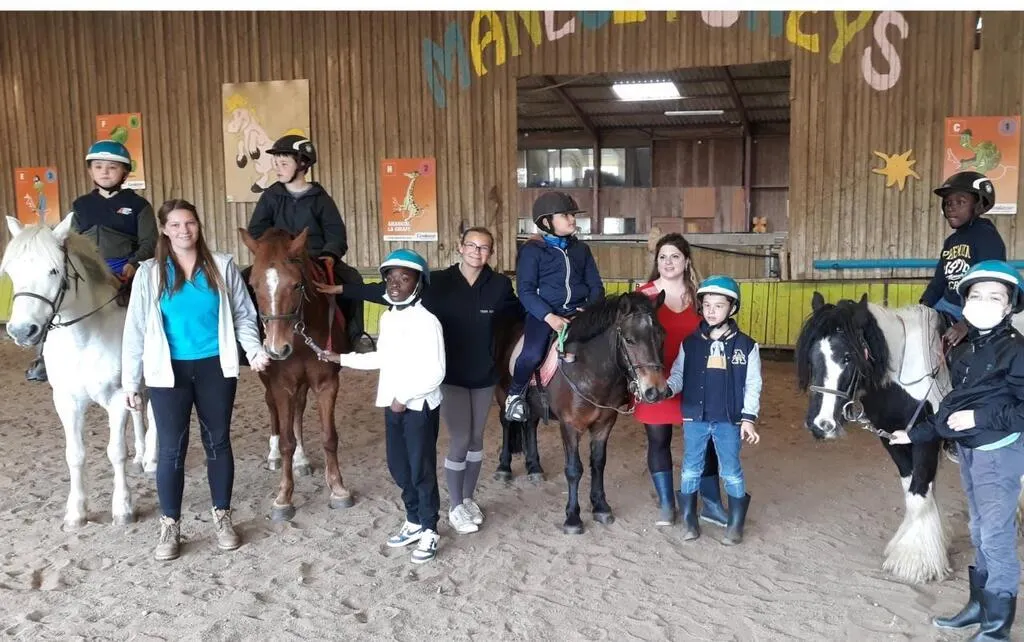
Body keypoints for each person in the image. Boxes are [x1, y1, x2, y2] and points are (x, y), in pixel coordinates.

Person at [316, 227, 521, 535]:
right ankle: (454, 506)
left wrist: (553, 315)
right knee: (461, 438)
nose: (477, 252)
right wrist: (340, 291)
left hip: (484, 374)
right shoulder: (437, 282)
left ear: (491, 252)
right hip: (447, 374)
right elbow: (385, 291)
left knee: (477, 441)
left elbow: (521, 311)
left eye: (484, 248)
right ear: (460, 247)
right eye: (471, 246)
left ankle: (467, 498)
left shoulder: (500, 285)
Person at [122, 199, 270, 562]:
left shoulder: (221, 266)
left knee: (218, 441)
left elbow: (243, 314)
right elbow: (136, 329)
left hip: (214, 367)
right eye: (175, 225)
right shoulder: (149, 272)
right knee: (172, 448)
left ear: (198, 226)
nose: (184, 230)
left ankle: (222, 516)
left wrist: (252, 350)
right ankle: (170, 524)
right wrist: (131, 381)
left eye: (189, 223)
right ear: (164, 230)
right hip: (167, 371)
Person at [891, 260, 1024, 641]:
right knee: (980, 528)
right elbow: (951, 410)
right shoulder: (964, 351)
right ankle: (980, 606)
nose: (983, 302)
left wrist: (980, 417)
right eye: (976, 295)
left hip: (998, 452)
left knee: (995, 535)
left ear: (1009, 305)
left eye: (994, 296)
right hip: (970, 451)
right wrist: (913, 434)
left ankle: (997, 628)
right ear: (964, 302)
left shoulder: (1016, 351)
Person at [319, 249, 446, 564]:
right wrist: (341, 358)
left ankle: (430, 528)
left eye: (404, 278)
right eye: (391, 278)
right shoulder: (389, 318)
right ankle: (413, 520)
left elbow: (436, 371)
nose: (395, 284)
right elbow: (382, 358)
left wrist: (405, 397)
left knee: (421, 469)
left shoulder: (427, 321)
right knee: (398, 467)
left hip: (418, 407)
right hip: (393, 404)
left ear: (418, 283)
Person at [25, 139, 157, 383]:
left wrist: (135, 263)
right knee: (56, 296)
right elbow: (70, 240)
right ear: (90, 171)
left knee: (151, 302)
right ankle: (42, 356)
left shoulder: (138, 205)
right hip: (88, 270)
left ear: (125, 173)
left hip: (124, 268)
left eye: (111, 167)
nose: (104, 171)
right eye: (98, 166)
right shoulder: (81, 205)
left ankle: (155, 350)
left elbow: (149, 242)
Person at [245, 134, 371, 352]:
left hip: (315, 257)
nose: (278, 168)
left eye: (284, 164)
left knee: (353, 279)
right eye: (276, 164)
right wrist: (274, 248)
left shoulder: (320, 198)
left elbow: (336, 232)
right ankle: (249, 341)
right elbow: (256, 230)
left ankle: (355, 336)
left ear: (302, 164)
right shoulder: (271, 196)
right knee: (242, 281)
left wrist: (330, 253)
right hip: (279, 261)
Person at [635, 233, 727, 528]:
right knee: (659, 440)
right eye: (662, 257)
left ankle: (711, 503)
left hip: (698, 378)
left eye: (674, 256)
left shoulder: (702, 295)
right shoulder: (644, 295)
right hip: (657, 378)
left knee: (707, 442)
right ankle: (666, 504)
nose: (668, 262)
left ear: (686, 260)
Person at [665, 275, 762, 545]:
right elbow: (678, 375)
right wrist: (666, 389)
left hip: (729, 419)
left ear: (732, 308)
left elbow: (753, 384)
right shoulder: (690, 343)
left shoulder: (747, 346)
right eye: (707, 305)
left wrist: (748, 418)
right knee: (690, 468)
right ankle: (689, 521)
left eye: (718, 306)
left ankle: (735, 524)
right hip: (695, 418)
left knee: (731, 469)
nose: (711, 311)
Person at [503, 191, 604, 422]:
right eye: (565, 215)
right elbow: (525, 291)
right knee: (531, 354)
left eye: (572, 215)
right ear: (546, 221)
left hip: (580, 312)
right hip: (545, 315)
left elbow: (595, 285)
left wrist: (590, 309)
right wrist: (549, 317)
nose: (572, 219)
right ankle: (515, 395)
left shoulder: (581, 250)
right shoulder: (532, 251)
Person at [921, 171, 1006, 349]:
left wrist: (967, 324)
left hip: (974, 307)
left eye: (960, 202)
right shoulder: (951, 241)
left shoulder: (986, 237)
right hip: (946, 305)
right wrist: (922, 307)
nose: (951, 207)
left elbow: (991, 285)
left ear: (979, 205)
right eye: (948, 203)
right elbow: (939, 281)